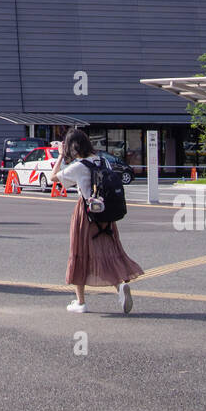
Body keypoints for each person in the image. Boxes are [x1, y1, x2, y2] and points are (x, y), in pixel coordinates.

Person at [54, 129, 142, 314]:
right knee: (108, 252)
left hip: (86, 213)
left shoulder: (79, 166)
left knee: (80, 253)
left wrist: (60, 156)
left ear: (72, 147)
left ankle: (81, 302)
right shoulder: (103, 161)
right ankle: (120, 287)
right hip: (106, 215)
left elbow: (55, 178)